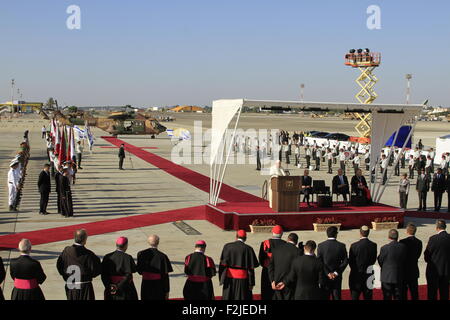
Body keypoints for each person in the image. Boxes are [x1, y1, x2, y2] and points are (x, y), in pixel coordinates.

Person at [56, 229, 102, 300]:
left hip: (71, 286)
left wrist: (66, 276)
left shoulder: (66, 251)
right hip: (85, 287)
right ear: (85, 239)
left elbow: (59, 265)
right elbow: (97, 270)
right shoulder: (88, 254)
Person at [219, 230, 259, 300]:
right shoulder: (249, 249)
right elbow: (251, 268)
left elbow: (222, 264)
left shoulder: (227, 246)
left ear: (236, 237)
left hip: (229, 279)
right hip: (243, 280)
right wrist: (251, 283)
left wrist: (221, 279)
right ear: (245, 238)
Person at [137, 235, 173, 300]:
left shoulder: (141, 254)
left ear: (148, 242)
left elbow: (139, 271)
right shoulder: (162, 256)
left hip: (146, 284)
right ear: (158, 242)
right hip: (158, 285)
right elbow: (165, 276)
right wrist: (167, 291)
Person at [317, 226, 348, 300]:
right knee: (337, 296)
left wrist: (328, 273)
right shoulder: (341, 246)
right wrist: (336, 273)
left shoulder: (321, 246)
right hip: (336, 277)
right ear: (336, 234)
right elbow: (345, 261)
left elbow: (319, 262)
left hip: (324, 277)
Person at [268, 233, 302, 300]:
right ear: (296, 241)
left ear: (287, 239)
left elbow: (270, 266)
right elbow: (297, 270)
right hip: (290, 284)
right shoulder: (298, 252)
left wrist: (272, 280)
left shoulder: (276, 250)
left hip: (276, 282)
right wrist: (285, 282)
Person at [348, 226, 377, 300]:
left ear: (360, 233)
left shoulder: (354, 246)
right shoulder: (373, 245)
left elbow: (351, 262)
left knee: (355, 297)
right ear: (368, 233)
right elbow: (373, 260)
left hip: (356, 276)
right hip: (369, 276)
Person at [424, 220, 450, 300]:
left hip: (433, 271)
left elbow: (427, 255)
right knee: (445, 293)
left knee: (432, 293)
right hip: (446, 270)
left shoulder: (433, 239)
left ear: (437, 228)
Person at [377, 229, 407, 300]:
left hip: (387, 276)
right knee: (398, 297)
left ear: (388, 237)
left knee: (387, 297)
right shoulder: (403, 247)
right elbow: (404, 259)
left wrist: (385, 267)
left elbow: (380, 260)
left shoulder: (384, 248)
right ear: (397, 237)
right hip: (398, 276)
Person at [258, 225, 286, 300]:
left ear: (272, 232)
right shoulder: (285, 244)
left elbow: (261, 259)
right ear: (282, 233)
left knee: (266, 291)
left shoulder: (265, 243)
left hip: (267, 271)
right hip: (281, 271)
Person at [399, 223, 422, 300]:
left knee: (403, 292)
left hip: (404, 270)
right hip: (413, 270)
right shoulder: (419, 242)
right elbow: (418, 255)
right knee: (414, 292)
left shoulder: (402, 242)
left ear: (407, 231)